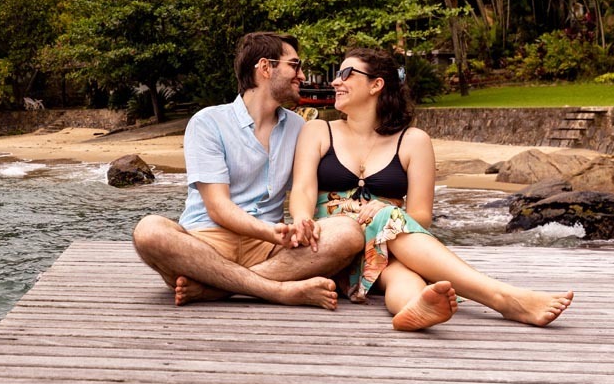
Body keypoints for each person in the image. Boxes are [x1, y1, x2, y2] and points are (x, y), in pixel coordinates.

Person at [289, 47, 574, 330]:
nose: (336, 81)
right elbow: (302, 190)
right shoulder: (317, 131)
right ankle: (503, 297)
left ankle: (415, 306)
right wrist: (303, 219)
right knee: (389, 222)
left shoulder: (414, 141)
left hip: (386, 245)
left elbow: (421, 215)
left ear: (377, 85)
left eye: (346, 73)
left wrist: (385, 210)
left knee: (399, 273)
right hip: (333, 241)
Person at [133, 32, 365, 307]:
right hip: (207, 243)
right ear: (265, 68)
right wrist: (270, 232)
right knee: (148, 231)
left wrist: (302, 222)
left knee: (347, 233)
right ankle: (278, 291)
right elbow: (218, 207)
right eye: (294, 65)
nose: (302, 75)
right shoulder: (208, 122)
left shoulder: (298, 127)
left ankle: (218, 289)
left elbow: (306, 188)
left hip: (269, 251)